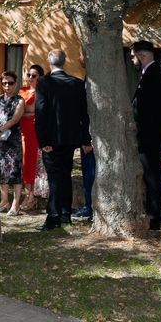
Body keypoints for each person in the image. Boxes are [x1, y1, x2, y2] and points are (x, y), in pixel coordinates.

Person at [34, 49, 90, 231]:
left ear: (49, 62)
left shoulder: (44, 82)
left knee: (54, 178)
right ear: (64, 62)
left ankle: (54, 216)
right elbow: (84, 114)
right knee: (65, 175)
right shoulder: (76, 83)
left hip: (51, 139)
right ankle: (65, 213)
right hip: (70, 138)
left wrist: (42, 141)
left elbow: (40, 111)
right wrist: (84, 138)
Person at [130, 40, 161, 230]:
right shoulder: (150, 74)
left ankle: (154, 216)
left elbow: (150, 109)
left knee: (152, 174)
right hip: (151, 133)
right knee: (150, 174)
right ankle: (152, 213)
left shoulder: (154, 75)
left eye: (133, 56)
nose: (132, 60)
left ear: (142, 55)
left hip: (151, 135)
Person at [0, 71, 25, 216]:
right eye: (4, 83)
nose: (7, 86)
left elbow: (15, 119)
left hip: (13, 141)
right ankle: (4, 201)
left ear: (15, 84)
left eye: (10, 83)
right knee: (1, 170)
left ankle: (16, 204)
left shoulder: (19, 100)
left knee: (15, 172)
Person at [72, 54, 95, 222]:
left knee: (91, 175)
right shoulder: (88, 78)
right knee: (88, 175)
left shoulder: (95, 81)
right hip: (86, 136)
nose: (79, 58)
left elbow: (90, 113)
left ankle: (91, 208)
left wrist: (88, 139)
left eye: (82, 54)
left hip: (92, 138)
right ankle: (89, 206)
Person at [18, 64, 44, 211]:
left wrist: (25, 112)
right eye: (28, 75)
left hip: (33, 131)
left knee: (30, 162)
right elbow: (23, 110)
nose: (30, 78)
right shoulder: (23, 90)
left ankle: (31, 197)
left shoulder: (41, 92)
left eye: (34, 75)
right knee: (23, 162)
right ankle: (28, 194)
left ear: (40, 77)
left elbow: (31, 109)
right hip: (22, 130)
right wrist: (27, 112)